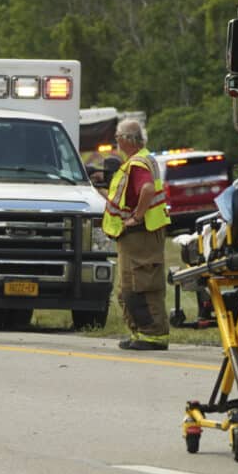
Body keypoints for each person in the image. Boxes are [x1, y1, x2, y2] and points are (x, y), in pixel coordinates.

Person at [100, 119, 170, 350]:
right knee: (130, 287)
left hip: (141, 234)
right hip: (137, 235)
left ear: (126, 140)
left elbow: (147, 189)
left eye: (118, 137)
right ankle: (142, 333)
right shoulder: (141, 160)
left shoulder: (138, 163)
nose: (117, 142)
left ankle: (152, 334)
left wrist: (137, 216)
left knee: (139, 286)